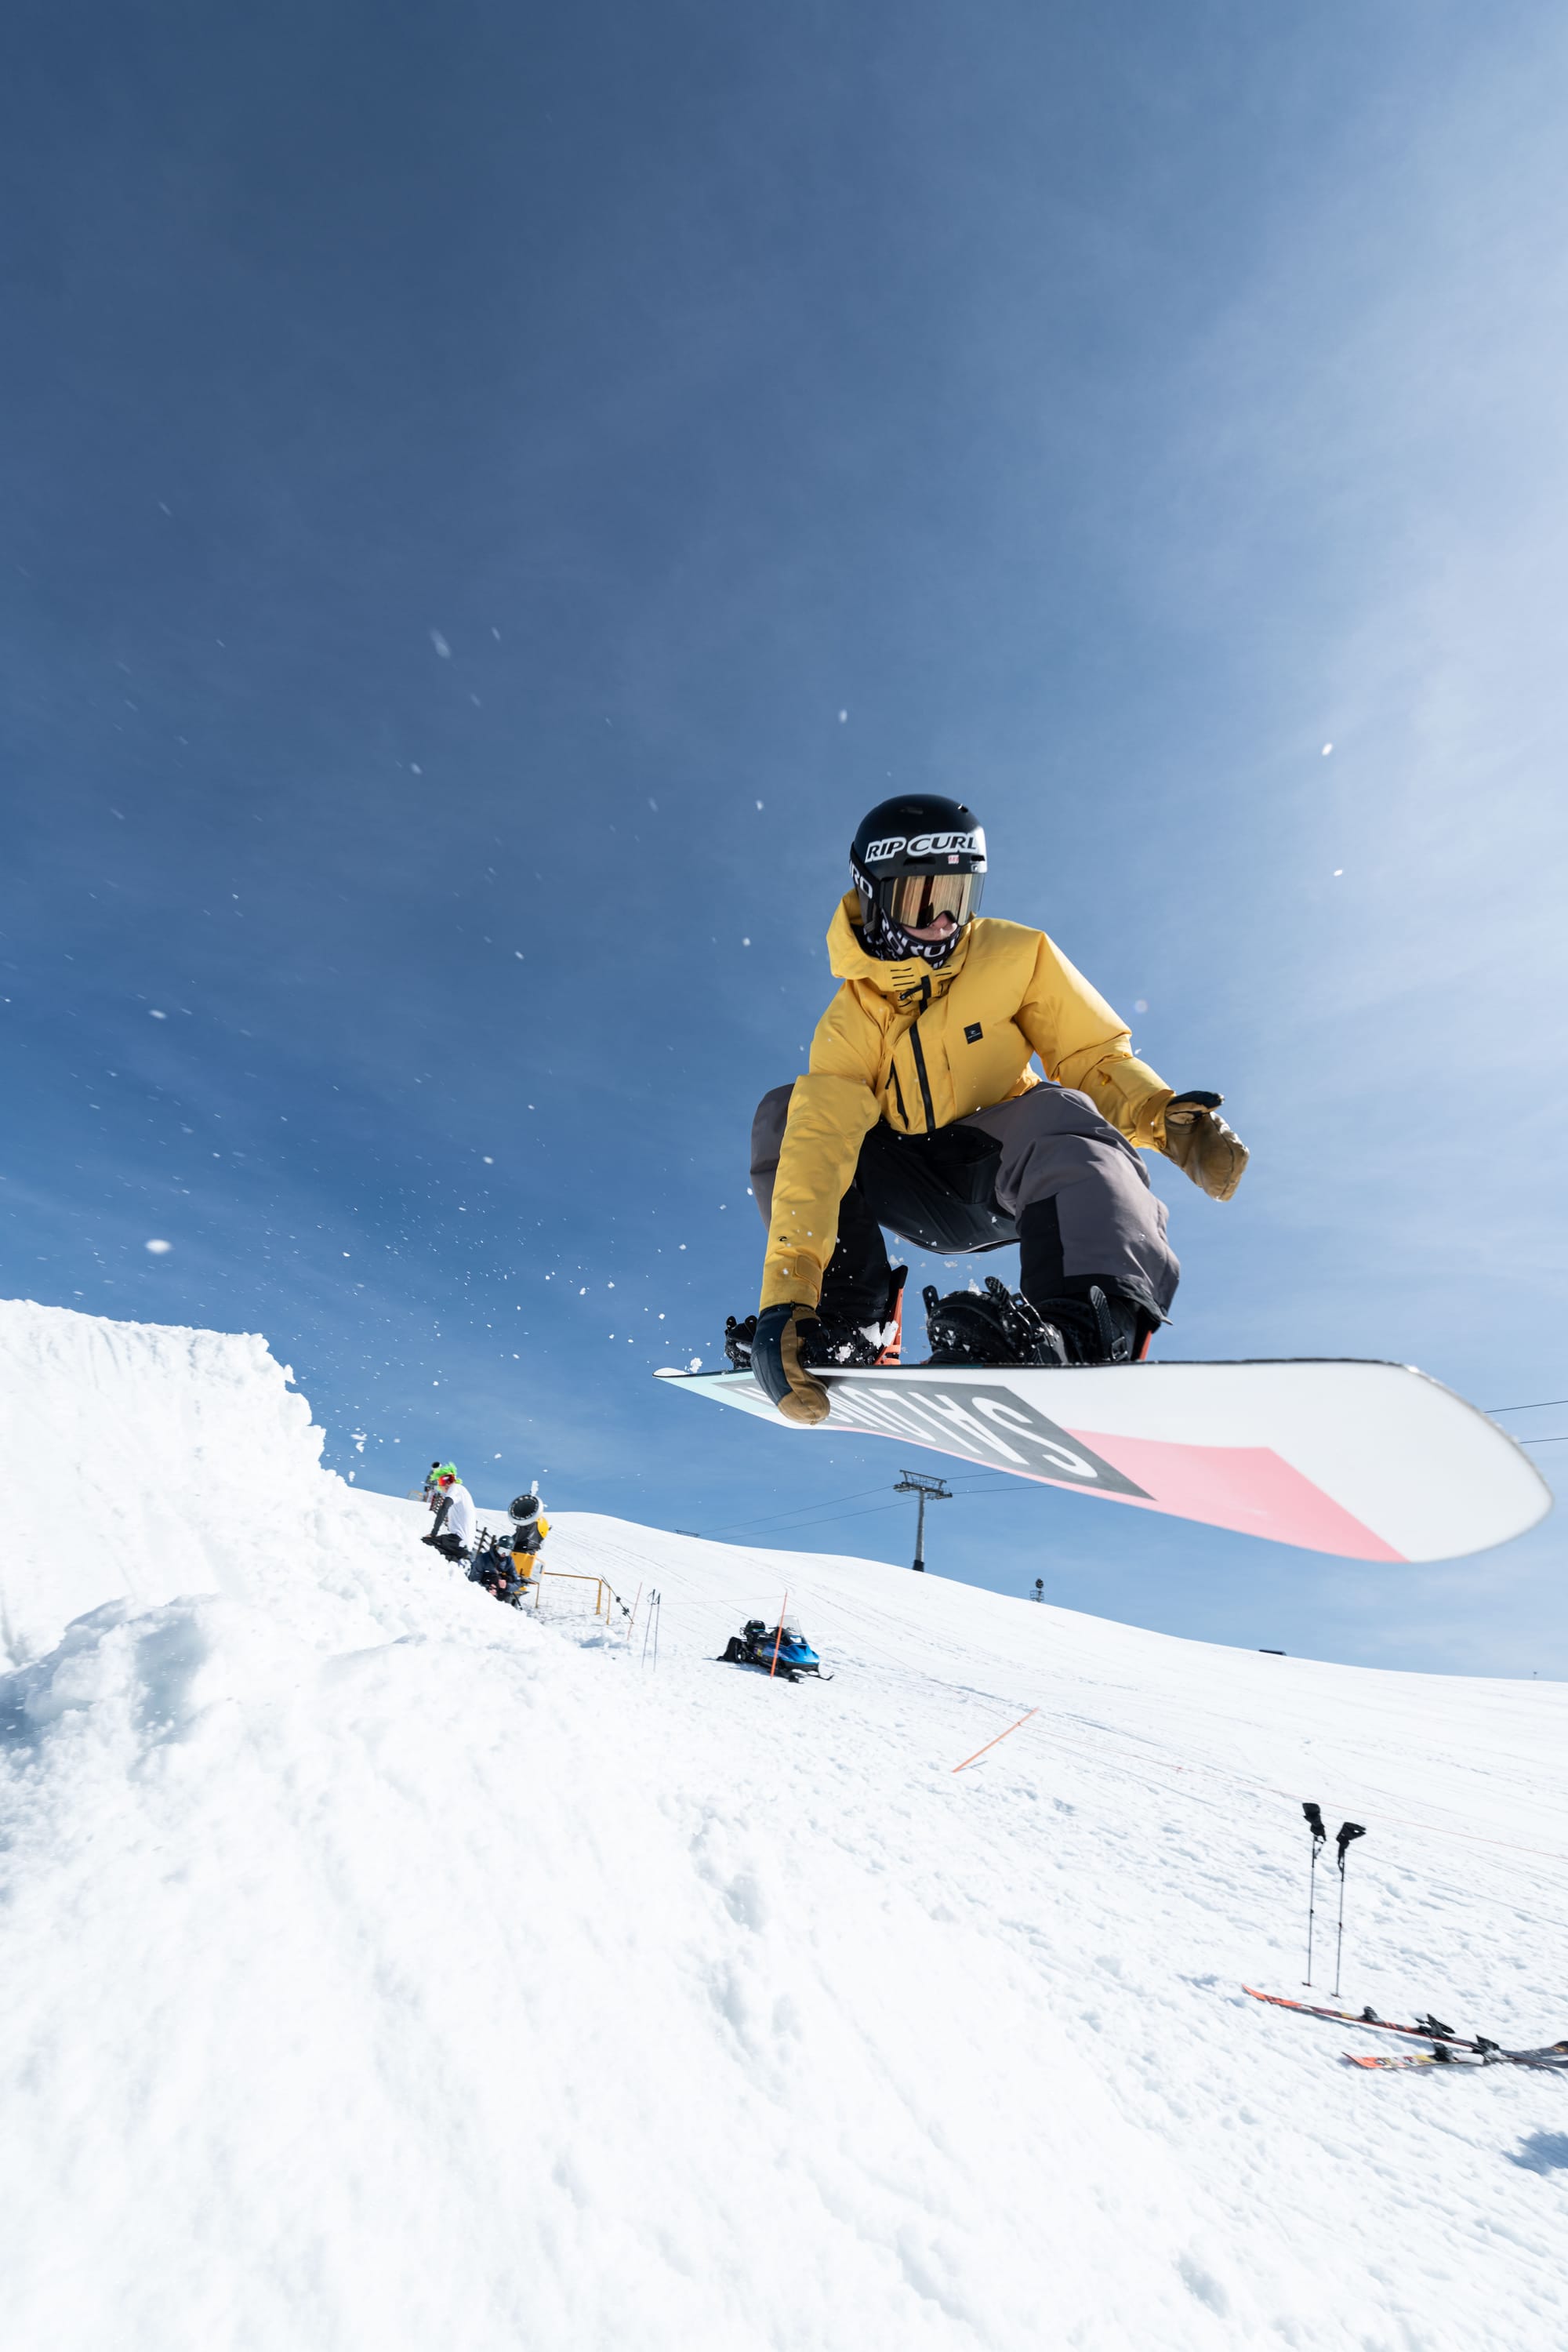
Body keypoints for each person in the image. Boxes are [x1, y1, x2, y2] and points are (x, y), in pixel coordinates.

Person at [732, 793, 1248, 1425]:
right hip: (913, 1180)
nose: (945, 922)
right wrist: (789, 1295)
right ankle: (850, 1324)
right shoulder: (852, 1020)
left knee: (1062, 1111)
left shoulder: (1014, 955)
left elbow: (1089, 1052)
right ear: (874, 897)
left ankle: (1084, 1326)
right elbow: (818, 1149)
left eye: (958, 899)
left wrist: (1156, 1113)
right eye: (923, 901)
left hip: (1006, 1166)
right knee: (787, 1117)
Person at [422, 1468, 477, 1563]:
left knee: (424, 1543)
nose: (447, 1484)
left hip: (458, 1540)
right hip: (462, 1545)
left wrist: (433, 1534)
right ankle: (460, 1560)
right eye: (443, 1480)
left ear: (455, 1480)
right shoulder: (463, 1492)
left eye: (450, 1479)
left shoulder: (455, 1487)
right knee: (440, 1556)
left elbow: (444, 1508)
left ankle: (461, 1560)